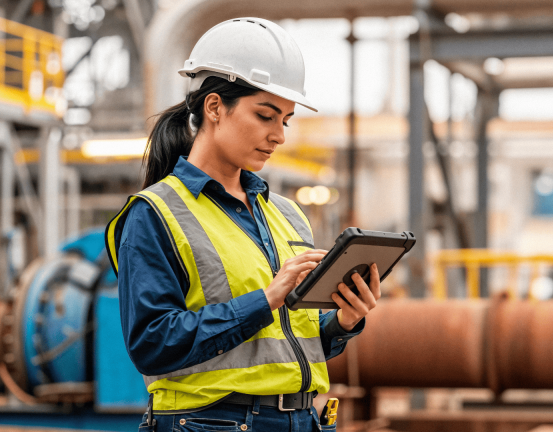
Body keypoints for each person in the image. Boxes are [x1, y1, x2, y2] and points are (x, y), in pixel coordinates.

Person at [105, 17, 379, 432]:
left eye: (284, 120)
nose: (279, 136)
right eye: (265, 116)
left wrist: (341, 323)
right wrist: (265, 298)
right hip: (210, 423)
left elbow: (285, 343)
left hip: (301, 419)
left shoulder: (286, 214)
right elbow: (152, 344)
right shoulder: (155, 213)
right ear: (214, 107)